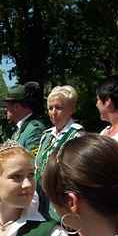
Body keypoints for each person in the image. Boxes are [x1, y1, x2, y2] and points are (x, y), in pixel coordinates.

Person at [35, 85, 84, 219]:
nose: (53, 112)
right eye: (50, 108)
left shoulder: (77, 135)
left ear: (71, 109)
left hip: (61, 201)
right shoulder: (46, 136)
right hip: (40, 200)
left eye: (59, 108)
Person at [3, 82, 47, 154]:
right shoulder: (20, 129)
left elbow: (33, 162)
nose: (5, 109)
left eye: (7, 106)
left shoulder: (35, 130)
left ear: (16, 106)